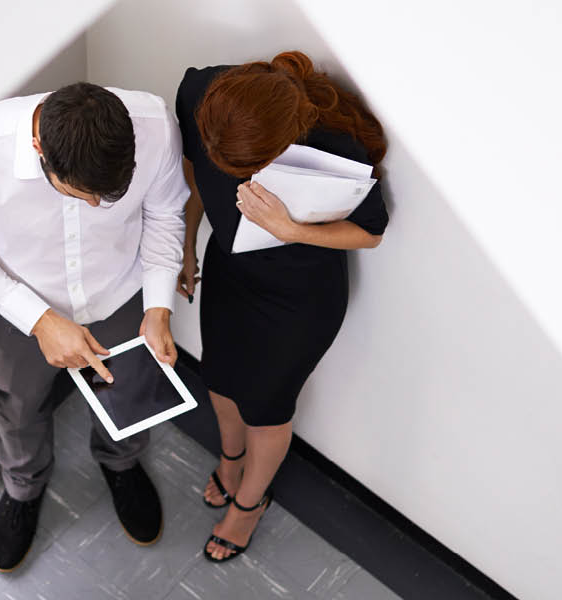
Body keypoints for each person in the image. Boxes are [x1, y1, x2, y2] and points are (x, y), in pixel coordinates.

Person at [0, 82, 188, 572]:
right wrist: (40, 320)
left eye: (108, 197)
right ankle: (23, 488)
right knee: (19, 405)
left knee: (128, 390)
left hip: (120, 290)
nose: (96, 207)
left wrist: (158, 306)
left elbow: (165, 213)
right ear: (38, 149)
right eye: (83, 195)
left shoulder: (154, 125)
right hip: (19, 305)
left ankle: (122, 462)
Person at [174, 51, 390, 562]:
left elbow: (372, 233)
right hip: (231, 271)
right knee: (219, 377)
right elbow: (193, 171)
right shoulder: (199, 92)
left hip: (299, 300)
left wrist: (290, 229)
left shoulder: (333, 147)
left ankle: (249, 504)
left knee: (266, 407)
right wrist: (187, 242)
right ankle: (231, 459)